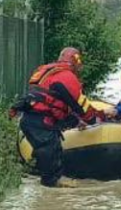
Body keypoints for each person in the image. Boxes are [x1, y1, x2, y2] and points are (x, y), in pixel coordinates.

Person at [10, 47, 101, 188]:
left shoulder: (51, 72)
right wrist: (94, 120)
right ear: (75, 60)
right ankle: (50, 185)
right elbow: (80, 105)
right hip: (40, 122)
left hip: (32, 119)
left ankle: (45, 178)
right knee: (49, 149)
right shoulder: (66, 77)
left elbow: (57, 104)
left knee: (51, 148)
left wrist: (76, 121)